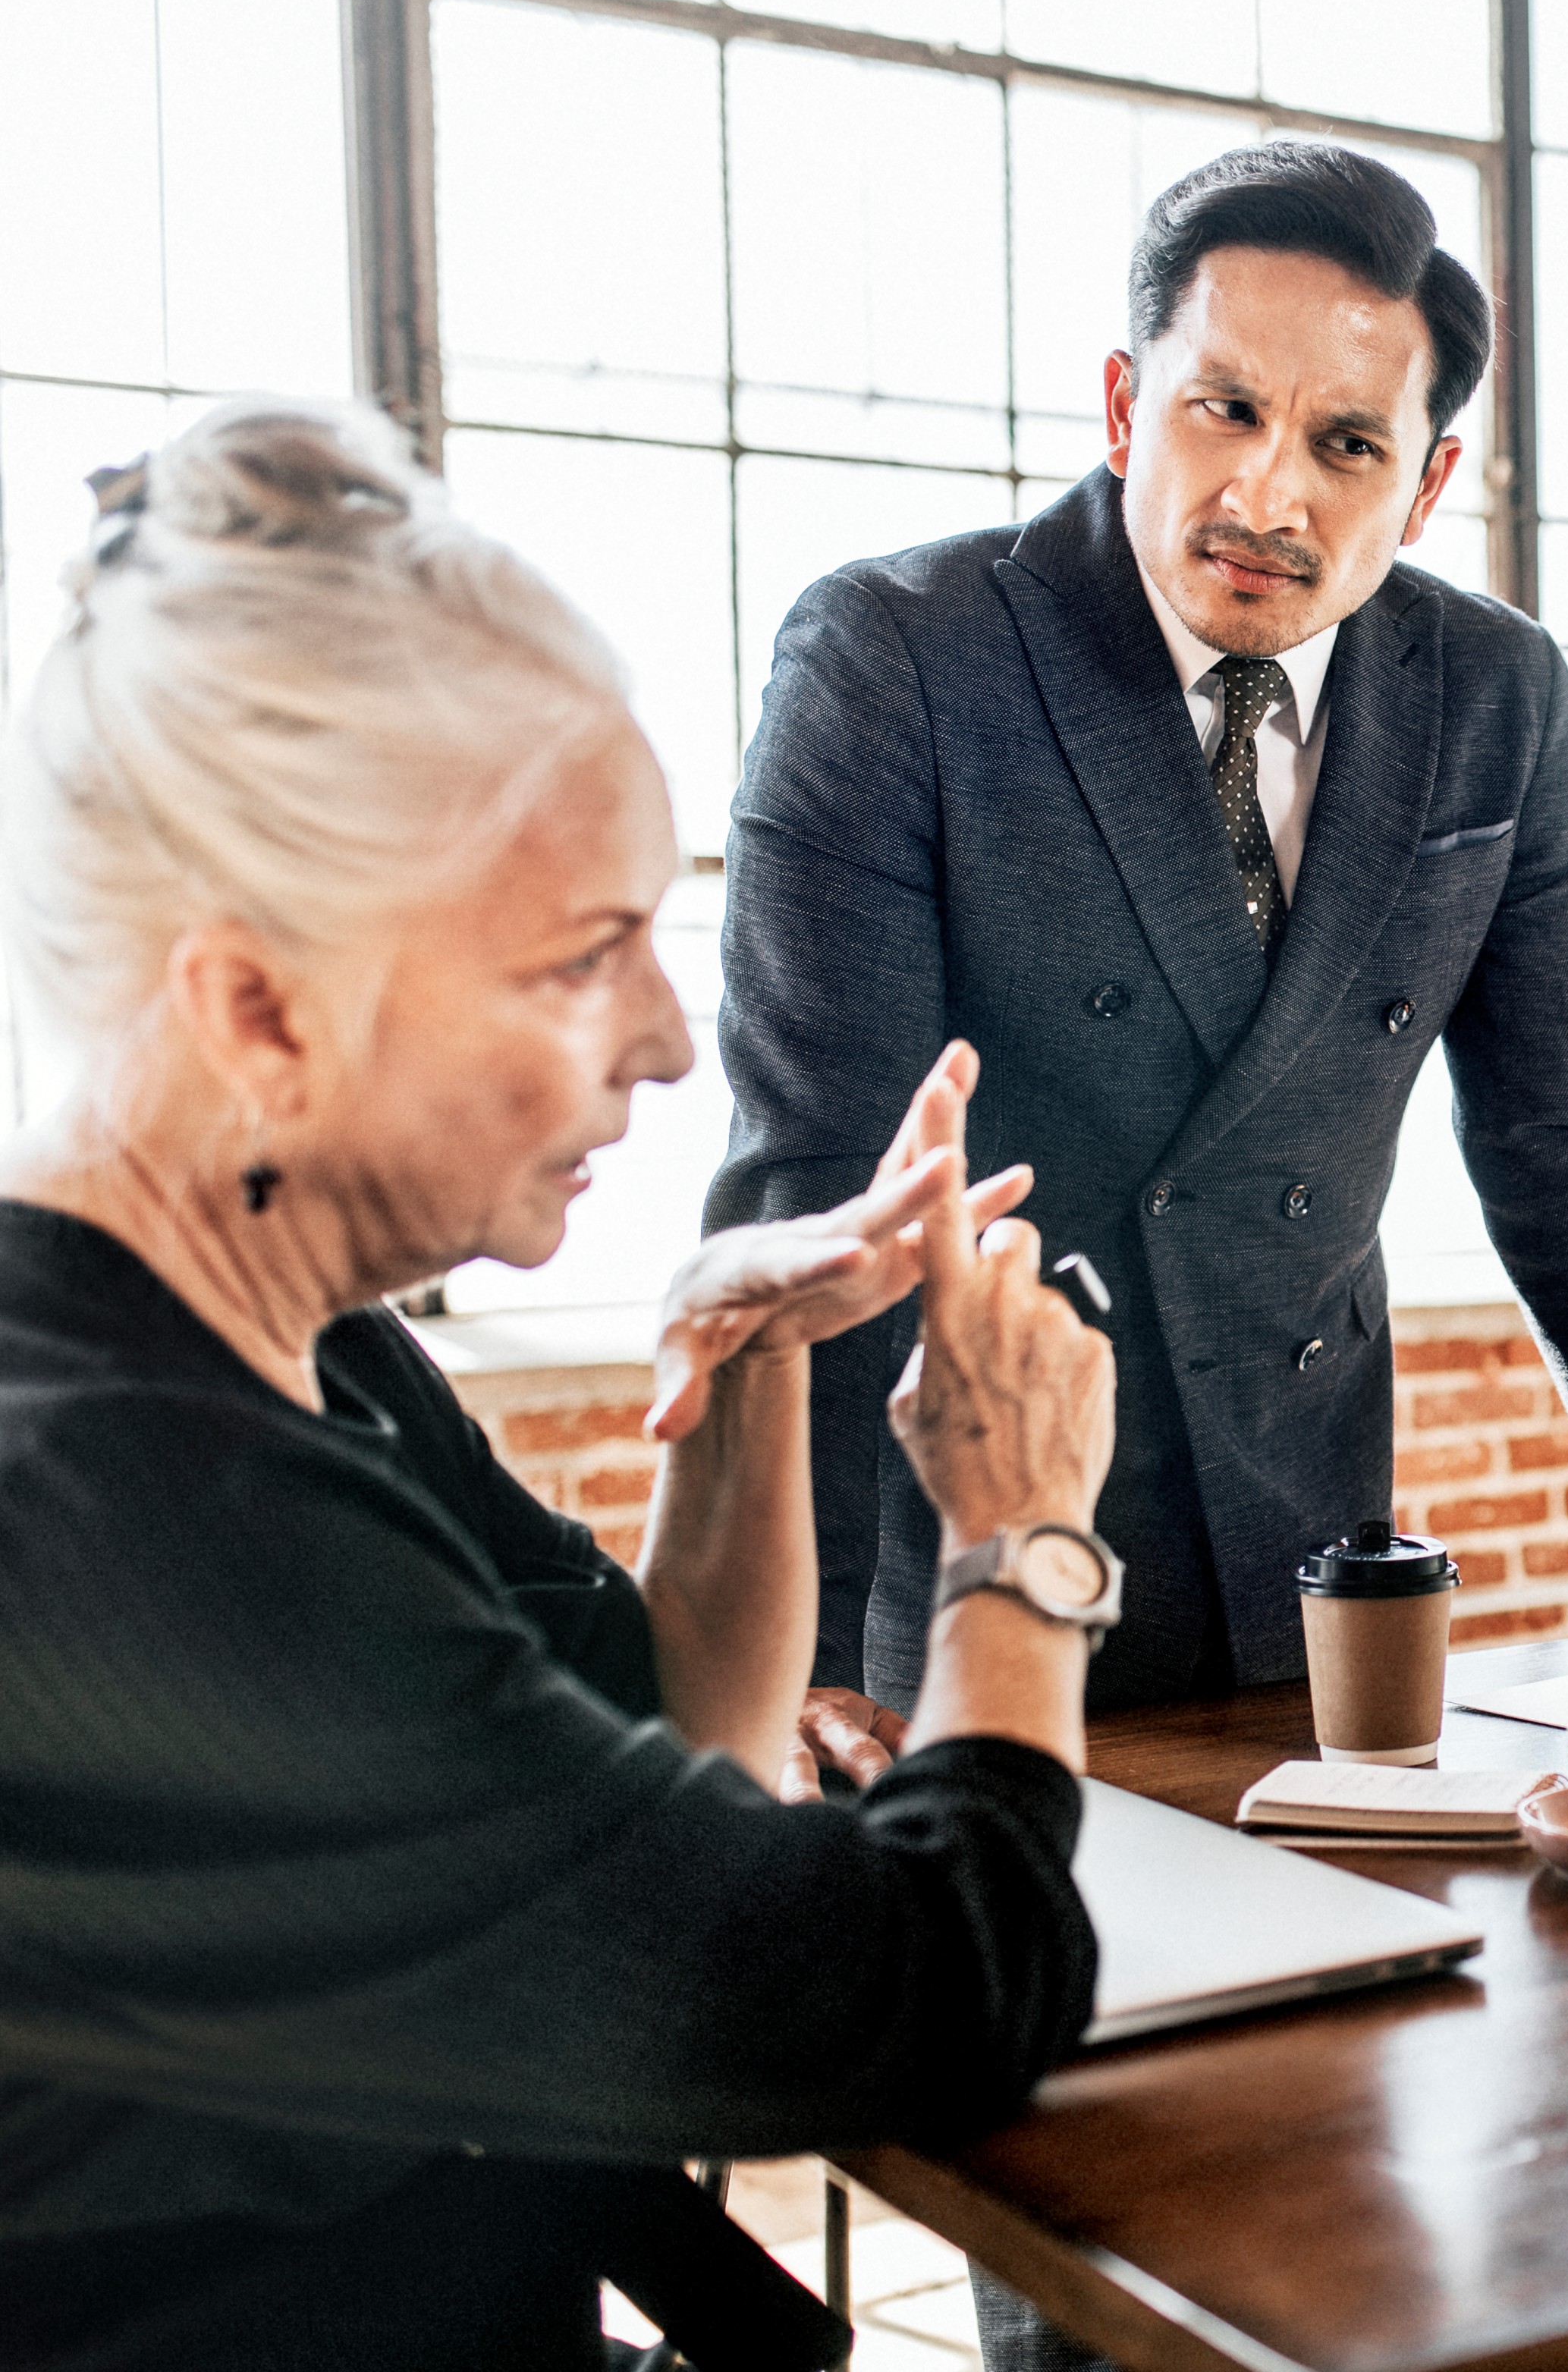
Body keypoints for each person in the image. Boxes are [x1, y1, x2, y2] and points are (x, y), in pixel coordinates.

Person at [0, 401, 1123, 2369]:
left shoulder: (295, 1339)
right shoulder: (125, 1517)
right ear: (257, 1008)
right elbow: (923, 1999)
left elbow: (667, 1756)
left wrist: (737, 1353)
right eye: (581, 960)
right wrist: (1017, 1543)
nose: (673, 1042)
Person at [707, 140, 1568, 1730]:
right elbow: (826, 1180)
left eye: (1347, 443)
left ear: (1425, 483)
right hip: (978, 1566)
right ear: (1130, 405)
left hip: (1312, 1560)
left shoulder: (1496, 693)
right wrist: (803, 1663)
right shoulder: (899, 658)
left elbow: (1562, 1140)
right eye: (1227, 411)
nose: (1271, 496)